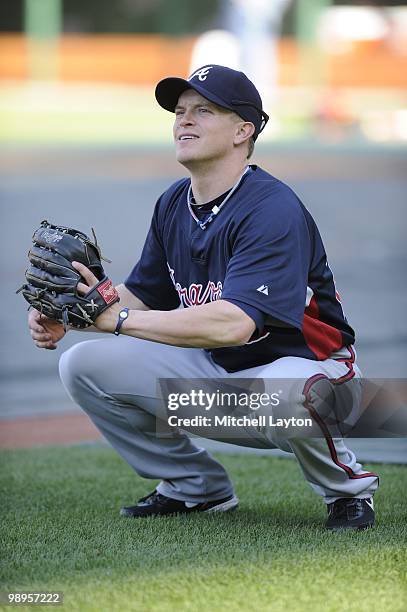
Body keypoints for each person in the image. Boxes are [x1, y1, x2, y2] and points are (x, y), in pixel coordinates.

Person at [28, 65, 378, 530]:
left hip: (314, 377)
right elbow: (143, 296)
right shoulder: (174, 203)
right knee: (83, 364)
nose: (183, 121)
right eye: (179, 111)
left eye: (203, 111)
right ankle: (195, 487)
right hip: (224, 377)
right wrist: (70, 313)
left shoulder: (271, 208)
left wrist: (114, 319)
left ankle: (347, 492)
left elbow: (235, 324)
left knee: (295, 393)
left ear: (242, 131)